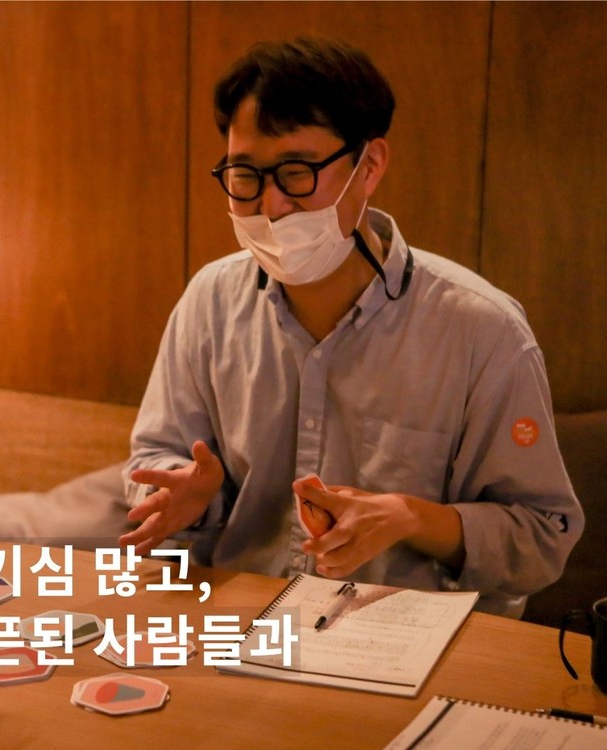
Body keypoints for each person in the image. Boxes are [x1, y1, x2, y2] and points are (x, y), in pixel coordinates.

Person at [119, 37, 583, 617]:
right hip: (242, 619)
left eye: (296, 173)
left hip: (409, 635)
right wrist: (186, 494)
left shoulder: (481, 332)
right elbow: (155, 458)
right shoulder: (210, 301)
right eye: (245, 175)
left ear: (369, 166)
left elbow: (542, 538)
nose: (271, 205)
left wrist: (411, 518)